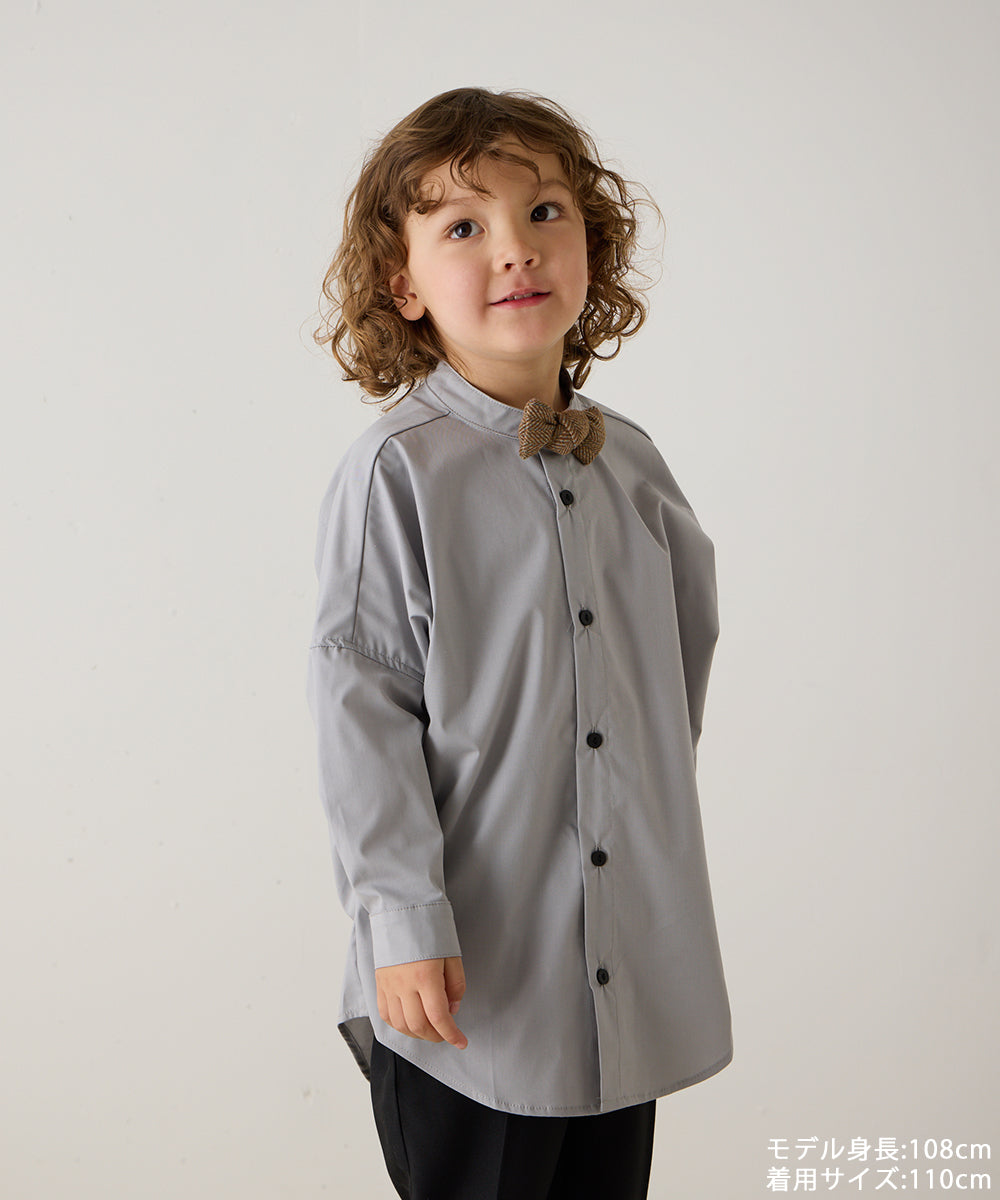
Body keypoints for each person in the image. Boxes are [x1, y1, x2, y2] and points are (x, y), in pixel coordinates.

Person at [306, 86, 732, 1200]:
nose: (515, 248)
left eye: (545, 212)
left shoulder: (632, 465)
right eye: (463, 226)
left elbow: (676, 670)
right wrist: (400, 918)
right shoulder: (397, 472)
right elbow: (363, 707)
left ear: (592, 243)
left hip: (617, 961)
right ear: (402, 285)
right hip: (466, 981)